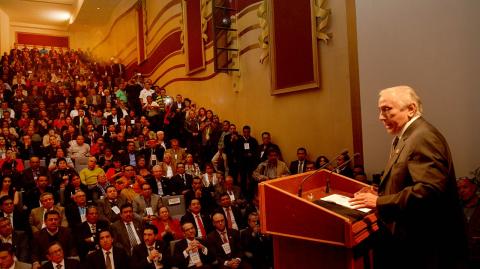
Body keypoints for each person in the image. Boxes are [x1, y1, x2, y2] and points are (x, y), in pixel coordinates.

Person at [349, 86, 467, 269]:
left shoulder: (422, 137)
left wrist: (379, 202)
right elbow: (408, 180)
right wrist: (379, 191)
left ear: (411, 109)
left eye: (386, 109)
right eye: (380, 111)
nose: (380, 117)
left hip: (425, 246)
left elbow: (429, 191)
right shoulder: (408, 136)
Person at [457, 177, 480, 268]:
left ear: (474, 188)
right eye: (458, 189)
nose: (461, 191)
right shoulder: (456, 209)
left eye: (465, 187)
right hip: (462, 258)